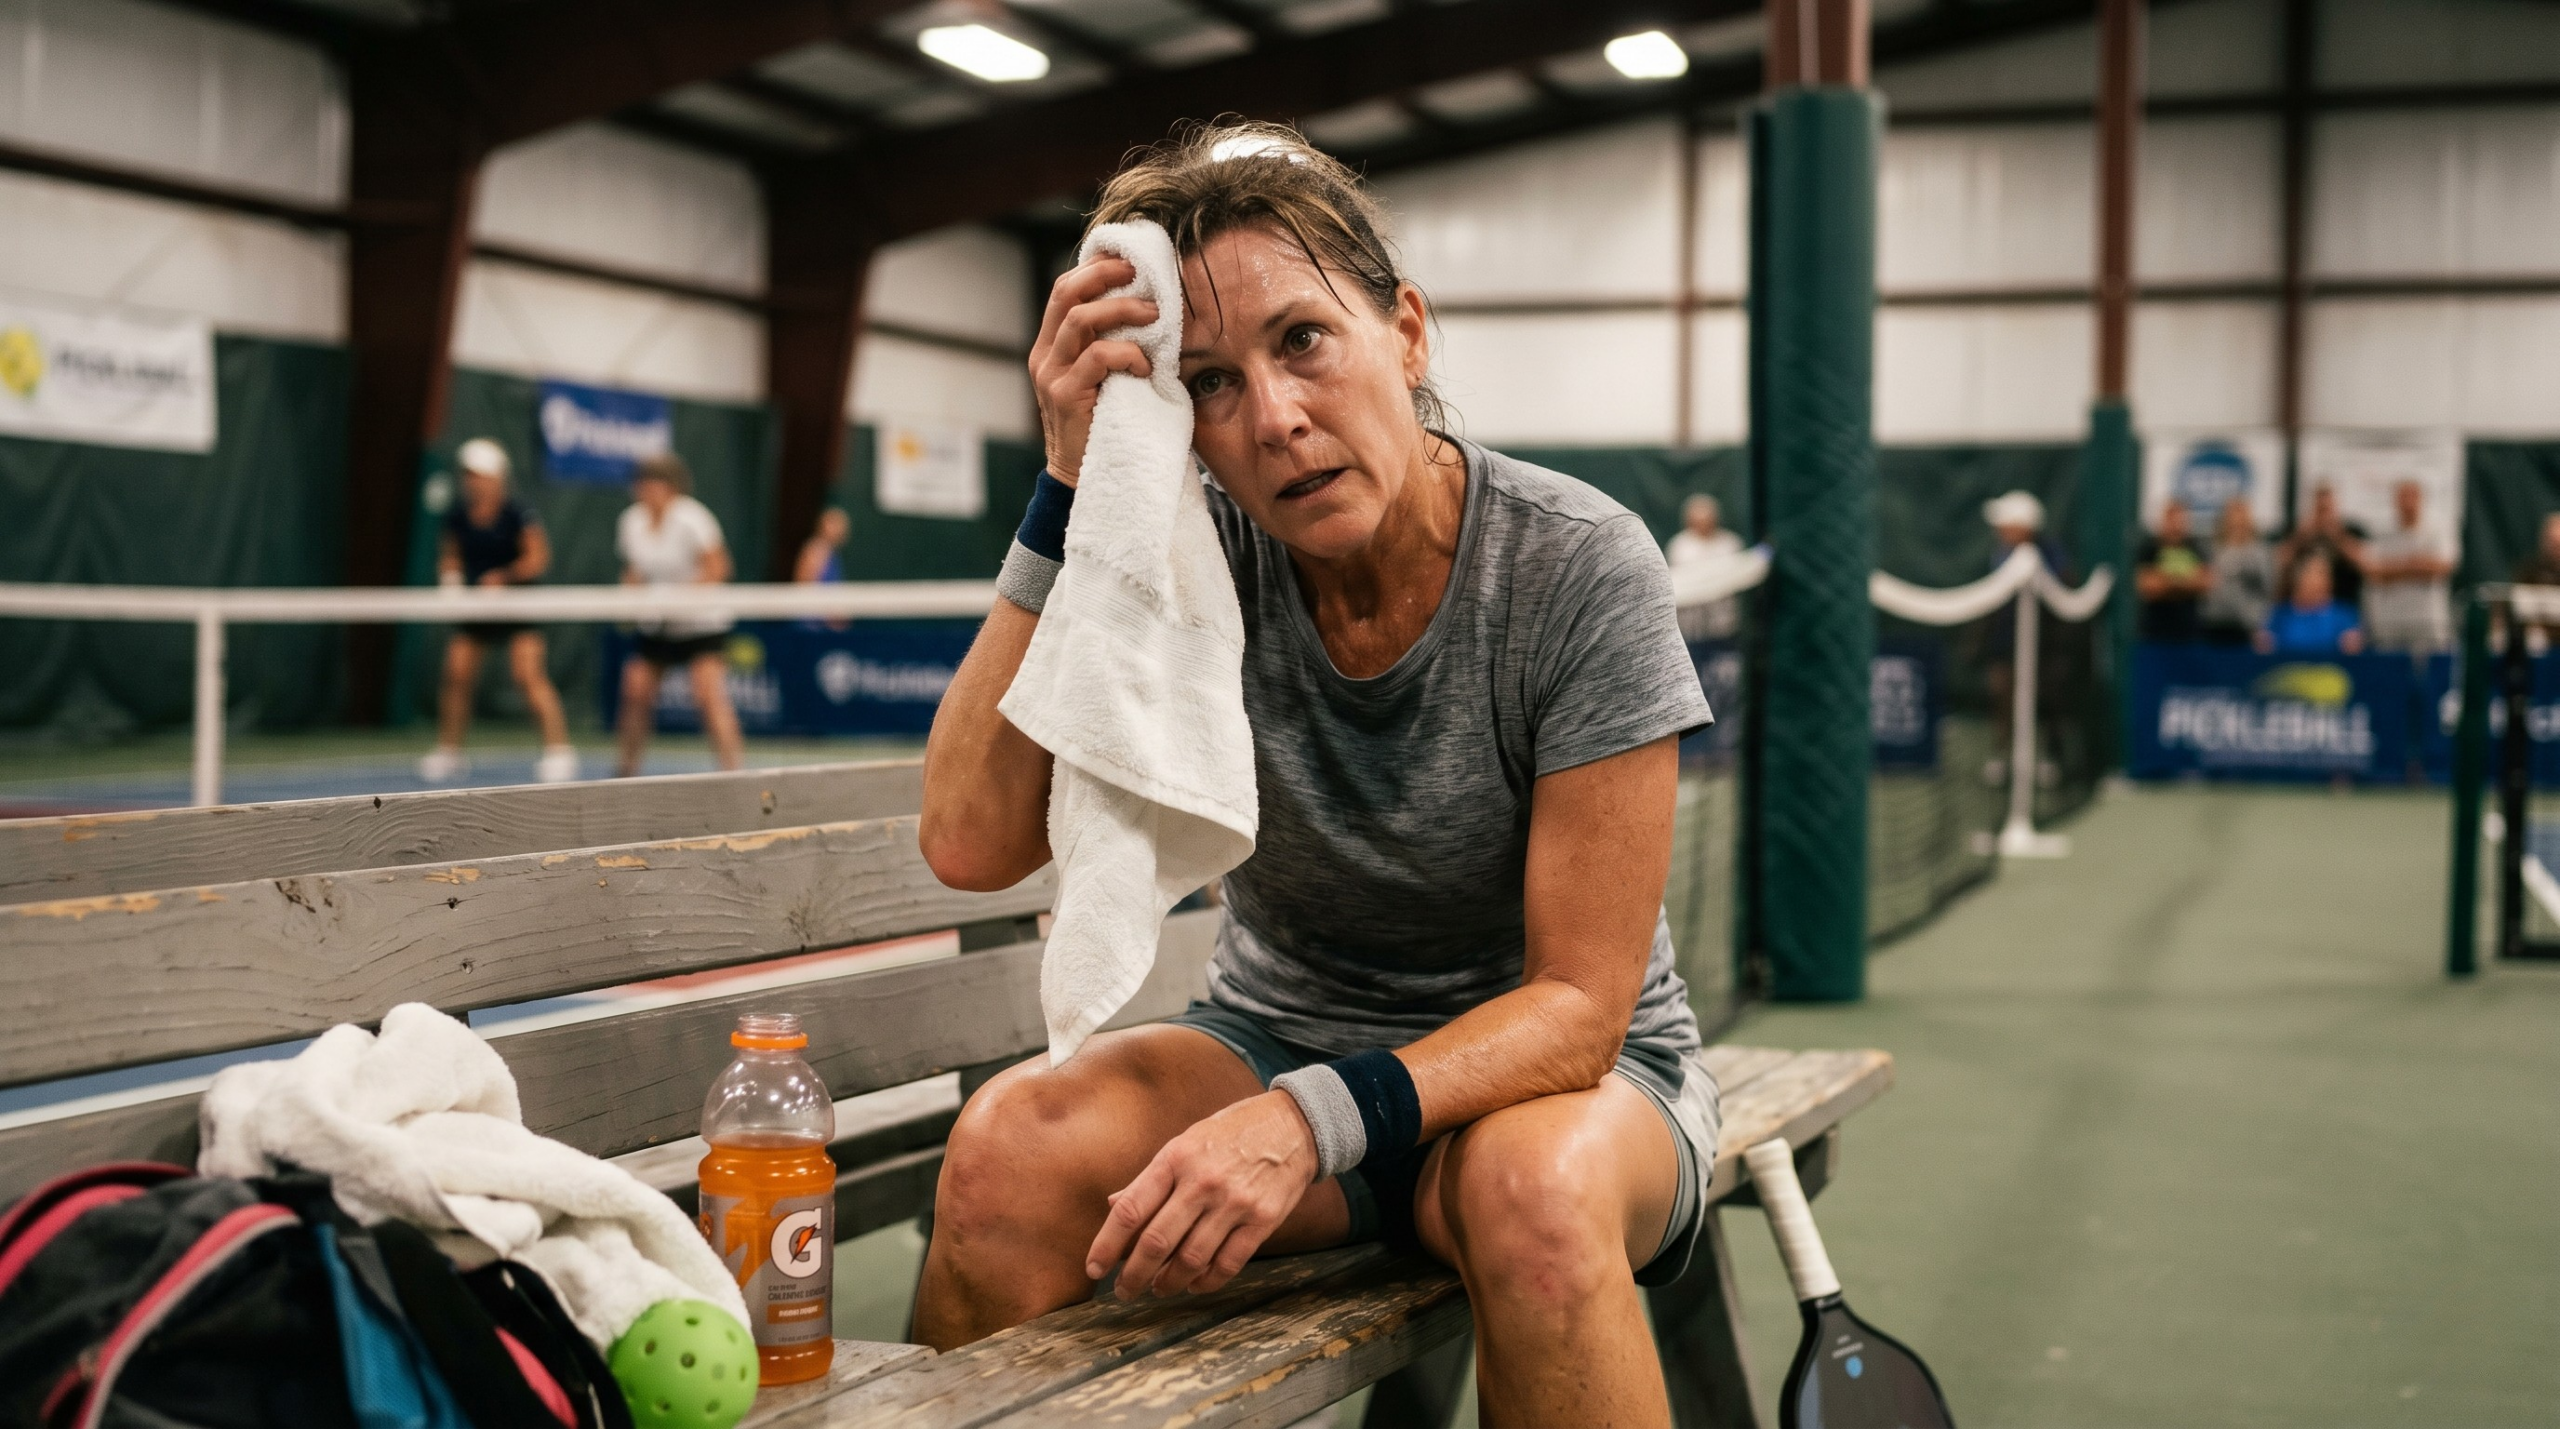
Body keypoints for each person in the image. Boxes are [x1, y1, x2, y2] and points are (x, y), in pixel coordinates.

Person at [912, 124, 1720, 1426]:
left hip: (1551, 1095)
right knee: (1014, 1151)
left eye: (1302, 341)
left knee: (1534, 1198)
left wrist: (1306, 1122)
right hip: (1282, 1048)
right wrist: (1071, 480)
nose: (1276, 419)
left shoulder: (1579, 565)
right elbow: (968, 841)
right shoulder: (1195, 557)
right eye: (1211, 384)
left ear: (1404, 331)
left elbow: (1580, 1005)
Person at [418, 438, 577, 785]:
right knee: (457, 672)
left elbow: (538, 557)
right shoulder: (458, 516)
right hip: (477, 608)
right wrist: (451, 579)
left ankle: (559, 751)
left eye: (479, 475)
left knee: (527, 675)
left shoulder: (517, 512)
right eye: (467, 475)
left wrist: (504, 578)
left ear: (496, 478)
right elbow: (451, 555)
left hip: (518, 605)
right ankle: (450, 752)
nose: (472, 481)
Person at [614, 452, 743, 776]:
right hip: (659, 624)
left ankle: (734, 773)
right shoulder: (631, 521)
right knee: (635, 689)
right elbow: (634, 573)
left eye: (654, 482)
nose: (645, 489)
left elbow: (719, 568)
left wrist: (677, 596)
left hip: (702, 624)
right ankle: (626, 771)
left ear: (671, 487)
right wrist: (631, 596)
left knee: (707, 695)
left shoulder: (693, 518)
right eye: (641, 482)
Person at [2361, 480, 2454, 653]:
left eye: (2413, 496)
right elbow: (2372, 571)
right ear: (2395, 501)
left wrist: (2392, 570)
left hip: (2427, 623)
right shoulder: (2382, 534)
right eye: (2403, 497)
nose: (2408, 503)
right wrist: (2414, 565)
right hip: (2389, 623)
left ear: (2421, 499)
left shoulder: (2437, 532)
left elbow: (2443, 567)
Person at [1665, 493, 1743, 641]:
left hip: (1724, 626)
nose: (1703, 524)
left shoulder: (1730, 544)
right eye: (1698, 521)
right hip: (1690, 628)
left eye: (1707, 520)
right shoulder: (1679, 546)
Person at [2278, 483, 2368, 611]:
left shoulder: (2350, 530)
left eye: (2327, 508)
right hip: (2304, 606)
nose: (2323, 514)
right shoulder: (2301, 532)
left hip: (2343, 604)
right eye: (2320, 509)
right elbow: (2280, 560)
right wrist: (2302, 536)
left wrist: (2337, 534)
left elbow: (2365, 563)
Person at [2201, 499, 2276, 645]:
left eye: (2241, 518)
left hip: (2248, 629)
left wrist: (2261, 625)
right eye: (2232, 518)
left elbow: (2268, 589)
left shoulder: (2260, 553)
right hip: (2213, 625)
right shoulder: (2211, 551)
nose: (2237, 523)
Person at [2259, 550, 2365, 654]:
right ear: (2298, 578)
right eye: (2313, 573)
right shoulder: (2279, 615)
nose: (2320, 580)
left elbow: (2353, 653)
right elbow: (2263, 648)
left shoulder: (2344, 614)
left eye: (2323, 573)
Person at [2134, 498, 2210, 643]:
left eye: (2180, 520)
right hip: (2155, 632)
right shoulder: (2150, 550)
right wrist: (2185, 583)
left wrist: (2166, 583)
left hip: (2189, 633)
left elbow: (2205, 583)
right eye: (2171, 520)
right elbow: (2147, 585)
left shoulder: (2197, 550)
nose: (2175, 526)